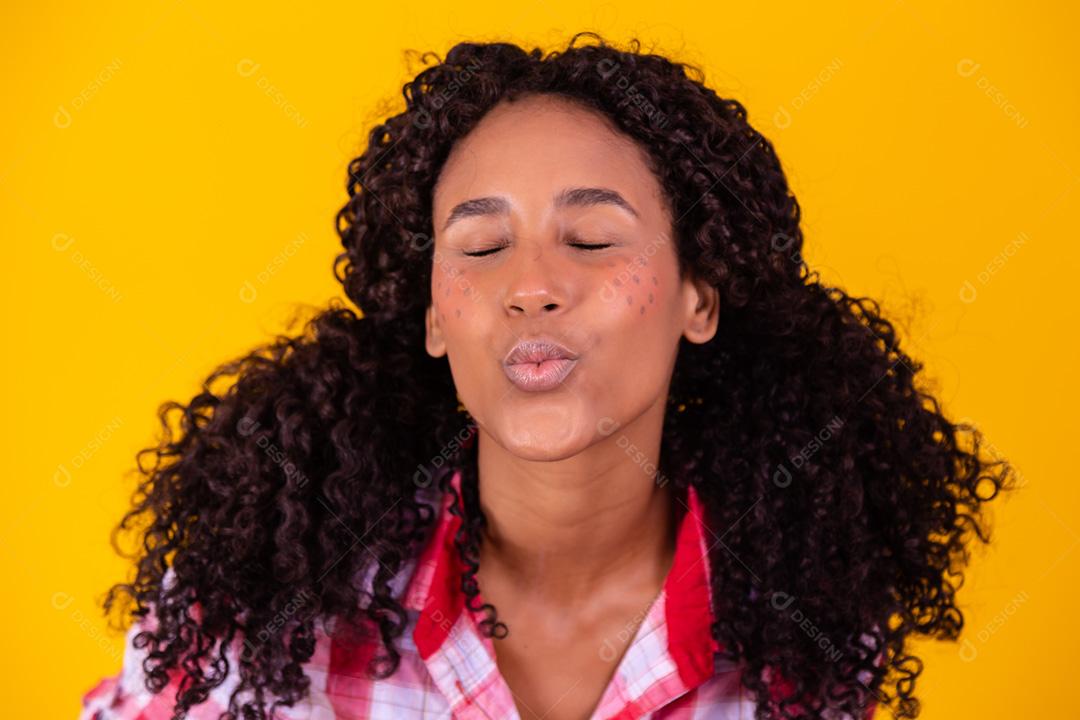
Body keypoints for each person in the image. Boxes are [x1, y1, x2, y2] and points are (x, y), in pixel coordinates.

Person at [78, 32, 1014, 720]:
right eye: (481, 246)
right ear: (435, 317)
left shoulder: (800, 637)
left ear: (700, 297)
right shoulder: (252, 619)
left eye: (593, 238)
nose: (531, 288)